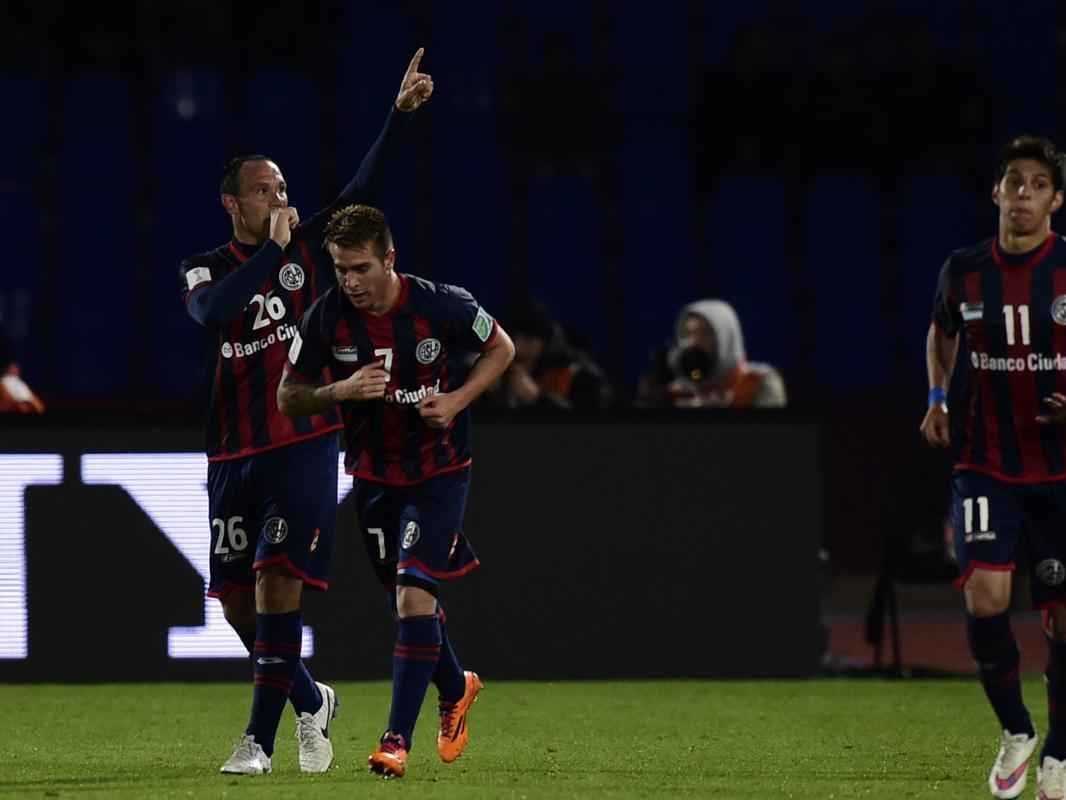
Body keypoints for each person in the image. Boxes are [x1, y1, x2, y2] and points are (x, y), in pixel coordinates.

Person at [178, 49, 435, 776]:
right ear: (234, 204)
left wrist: (396, 116)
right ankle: (311, 698)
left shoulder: (312, 254)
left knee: (275, 584)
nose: (281, 197)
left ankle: (257, 743)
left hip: (305, 439)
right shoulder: (208, 266)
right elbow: (212, 314)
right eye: (266, 191)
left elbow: (363, 185)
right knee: (235, 609)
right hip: (231, 451)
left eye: (284, 186)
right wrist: (275, 254)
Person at [920, 135, 1066, 800]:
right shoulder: (962, 271)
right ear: (995, 193)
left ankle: (1061, 759)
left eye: (1037, 184)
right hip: (985, 463)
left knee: (1064, 621)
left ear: (1056, 199)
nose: (1023, 193)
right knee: (984, 597)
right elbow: (940, 333)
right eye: (1013, 182)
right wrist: (937, 396)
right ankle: (1017, 731)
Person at [278, 203, 514, 779]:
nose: (350, 282)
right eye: (339, 269)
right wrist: (341, 389)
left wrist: (457, 401)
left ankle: (395, 741)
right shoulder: (324, 317)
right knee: (407, 602)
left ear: (389, 258)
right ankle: (457, 686)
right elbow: (289, 395)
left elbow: (500, 348)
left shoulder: (443, 303)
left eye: (360, 268)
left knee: (413, 596)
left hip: (439, 471)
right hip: (374, 477)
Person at [636, 299, 787, 408]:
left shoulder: (758, 382)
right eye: (688, 334)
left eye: (705, 333)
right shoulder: (676, 390)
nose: (694, 342)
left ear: (727, 338)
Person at [482, 294, 613, 410]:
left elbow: (588, 428)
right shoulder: (500, 370)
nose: (519, 346)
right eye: (514, 338)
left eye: (528, 339)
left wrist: (537, 398)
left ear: (545, 342)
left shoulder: (577, 376)